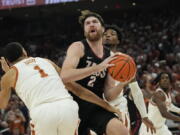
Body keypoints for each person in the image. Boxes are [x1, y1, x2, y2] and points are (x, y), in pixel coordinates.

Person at [0, 42, 122, 135]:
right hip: (68, 107)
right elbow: (78, 90)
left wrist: (7, 75)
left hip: (43, 112)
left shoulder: (9, 76)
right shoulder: (46, 61)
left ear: (7, 61)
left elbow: (2, 104)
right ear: (24, 52)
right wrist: (106, 105)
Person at [61, 10, 130, 135]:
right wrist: (97, 67)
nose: (91, 25)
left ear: (102, 28)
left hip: (95, 105)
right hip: (72, 105)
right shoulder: (78, 47)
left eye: (95, 22)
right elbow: (64, 76)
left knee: (122, 131)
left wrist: (122, 84)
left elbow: (108, 95)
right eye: (87, 23)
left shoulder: (110, 55)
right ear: (84, 31)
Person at [103, 24, 155, 135]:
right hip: (97, 109)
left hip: (118, 109)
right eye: (105, 34)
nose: (107, 36)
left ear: (118, 41)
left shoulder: (125, 60)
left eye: (112, 34)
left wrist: (144, 116)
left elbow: (136, 91)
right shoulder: (91, 58)